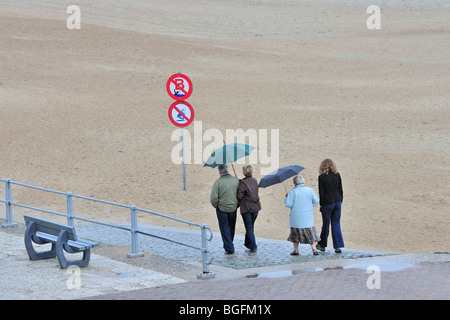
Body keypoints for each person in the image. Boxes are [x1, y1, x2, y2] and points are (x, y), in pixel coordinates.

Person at [285, 175, 320, 256]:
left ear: (294, 183)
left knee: (295, 234)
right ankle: (314, 249)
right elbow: (316, 201)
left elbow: (288, 204)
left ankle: (296, 250)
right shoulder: (310, 190)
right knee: (311, 233)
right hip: (308, 216)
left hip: (296, 218)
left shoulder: (292, 192)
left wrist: (287, 197)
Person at [316, 158, 344, 253]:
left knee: (326, 225)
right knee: (336, 224)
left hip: (327, 203)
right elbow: (340, 189)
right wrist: (340, 201)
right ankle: (338, 246)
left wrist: (322, 205)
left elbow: (321, 193)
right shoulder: (337, 175)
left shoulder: (322, 177)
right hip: (337, 202)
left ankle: (322, 245)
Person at [210, 164, 239, 254]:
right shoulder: (236, 180)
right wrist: (236, 205)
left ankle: (229, 247)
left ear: (220, 172)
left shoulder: (218, 182)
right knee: (231, 227)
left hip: (222, 209)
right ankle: (229, 244)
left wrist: (217, 206)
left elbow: (213, 198)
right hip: (233, 207)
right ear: (228, 170)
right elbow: (240, 194)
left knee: (224, 228)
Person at [237, 164, 261, 252]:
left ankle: (253, 246)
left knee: (249, 228)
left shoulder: (243, 183)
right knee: (250, 227)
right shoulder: (255, 180)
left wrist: (239, 186)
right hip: (256, 207)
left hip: (247, 208)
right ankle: (248, 243)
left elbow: (239, 196)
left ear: (244, 172)